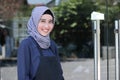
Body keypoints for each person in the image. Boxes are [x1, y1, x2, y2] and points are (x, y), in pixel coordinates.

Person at [17, 6, 64, 80]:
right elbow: (23, 77)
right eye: (42, 21)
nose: (47, 26)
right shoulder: (26, 45)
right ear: (35, 21)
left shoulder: (52, 45)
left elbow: (59, 75)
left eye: (50, 22)